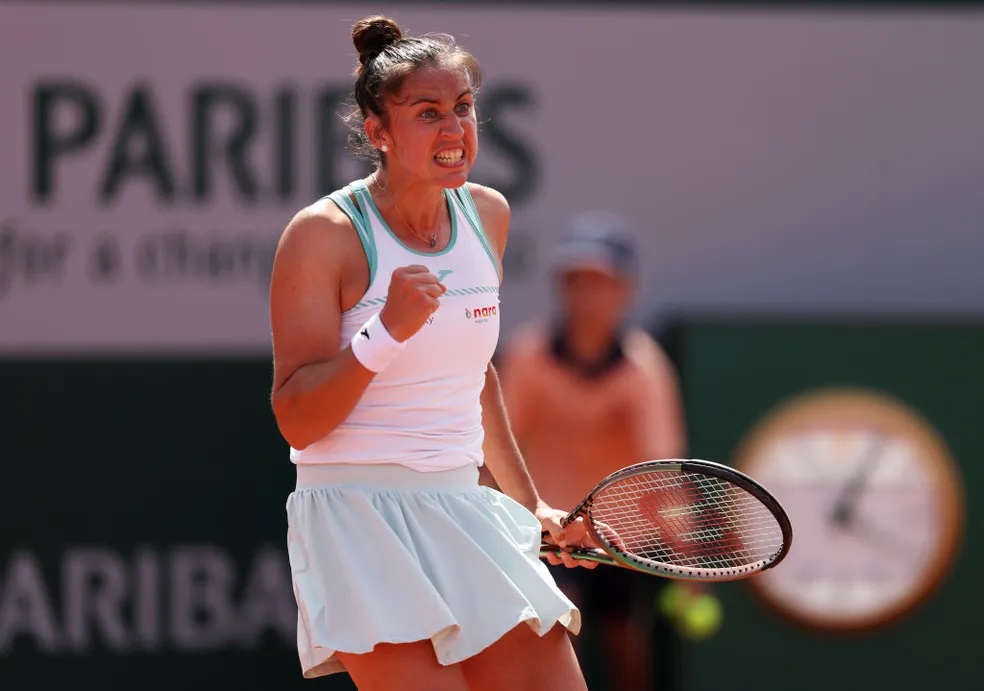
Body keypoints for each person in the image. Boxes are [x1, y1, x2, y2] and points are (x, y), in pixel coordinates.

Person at [268, 15, 596, 691]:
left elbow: (474, 377)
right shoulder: (322, 235)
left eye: (464, 108)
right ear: (378, 131)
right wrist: (384, 332)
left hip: (463, 509)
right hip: (357, 520)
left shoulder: (488, 214)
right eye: (428, 113)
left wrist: (526, 504)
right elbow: (298, 418)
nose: (455, 131)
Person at [495, 212, 688, 691]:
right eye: (576, 281)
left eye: (599, 282)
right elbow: (494, 448)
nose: (586, 295)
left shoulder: (644, 369)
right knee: (558, 648)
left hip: (623, 543)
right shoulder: (528, 356)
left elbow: (663, 472)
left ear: (625, 290)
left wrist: (686, 562)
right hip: (549, 534)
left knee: (627, 651)